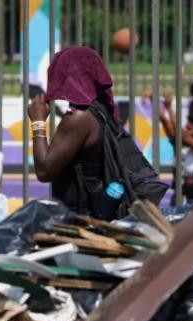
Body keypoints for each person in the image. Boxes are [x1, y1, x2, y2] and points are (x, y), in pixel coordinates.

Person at [26, 46, 121, 215]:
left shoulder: (79, 118)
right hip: (95, 211)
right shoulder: (101, 109)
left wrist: (38, 122)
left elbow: (44, 171)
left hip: (82, 218)